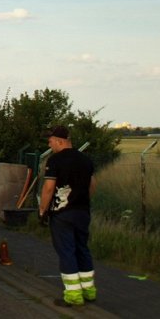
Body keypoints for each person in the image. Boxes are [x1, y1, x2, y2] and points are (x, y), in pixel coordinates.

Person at [39, 125, 97, 307]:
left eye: (50, 141)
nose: (49, 144)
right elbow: (92, 186)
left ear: (59, 140)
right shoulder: (86, 160)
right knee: (82, 249)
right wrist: (81, 200)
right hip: (82, 212)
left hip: (62, 214)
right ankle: (89, 291)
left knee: (67, 251)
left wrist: (42, 211)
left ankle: (73, 295)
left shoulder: (55, 161)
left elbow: (49, 188)